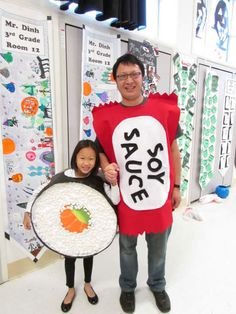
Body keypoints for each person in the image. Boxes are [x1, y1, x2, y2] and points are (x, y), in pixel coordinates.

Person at [92, 53, 182, 313]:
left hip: (160, 192)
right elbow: (101, 149)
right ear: (115, 80)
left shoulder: (163, 111)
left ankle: (157, 284)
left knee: (159, 246)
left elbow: (174, 150)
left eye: (134, 74)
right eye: (123, 76)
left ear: (144, 77)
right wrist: (105, 165)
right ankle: (128, 288)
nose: (129, 80)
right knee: (127, 247)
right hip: (129, 195)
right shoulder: (107, 117)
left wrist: (177, 187)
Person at [23, 139, 120, 313]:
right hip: (67, 230)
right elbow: (40, 191)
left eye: (91, 159)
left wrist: (114, 183)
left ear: (96, 161)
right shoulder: (63, 177)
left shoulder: (98, 178)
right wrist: (28, 211)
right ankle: (70, 289)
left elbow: (114, 200)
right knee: (70, 258)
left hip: (88, 229)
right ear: (75, 158)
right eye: (82, 158)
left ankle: (87, 284)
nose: (86, 163)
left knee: (89, 255)